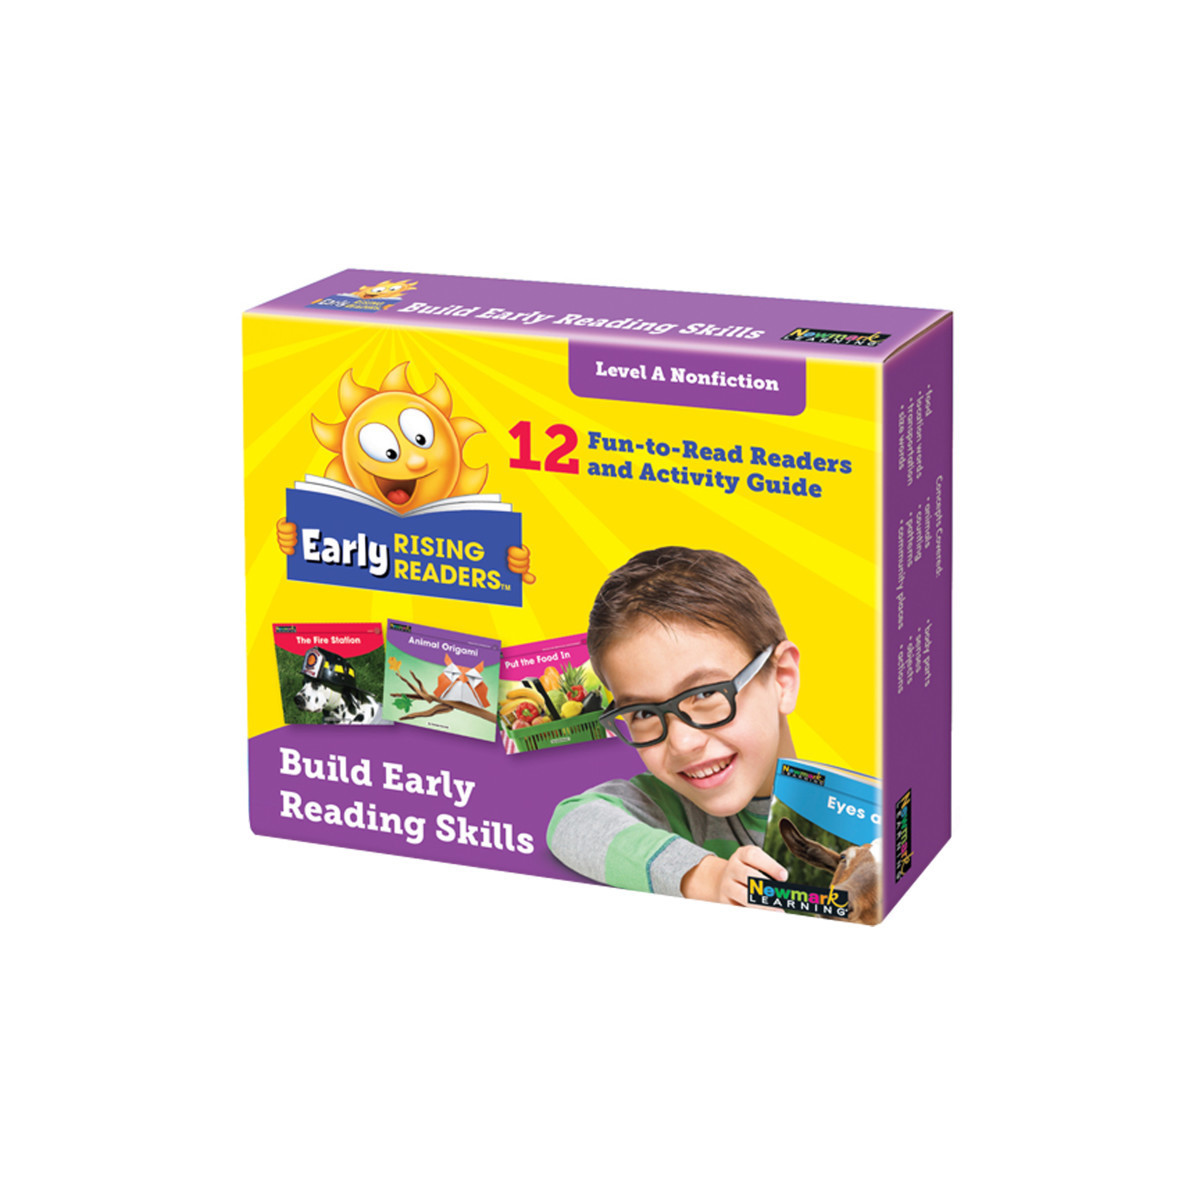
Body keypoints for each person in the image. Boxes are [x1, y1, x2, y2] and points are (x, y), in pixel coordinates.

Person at [547, 546, 800, 905]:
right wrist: (706, 877)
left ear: (782, 679)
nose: (682, 742)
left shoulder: (856, 815)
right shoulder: (670, 808)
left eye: (706, 693)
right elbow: (573, 822)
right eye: (644, 713)